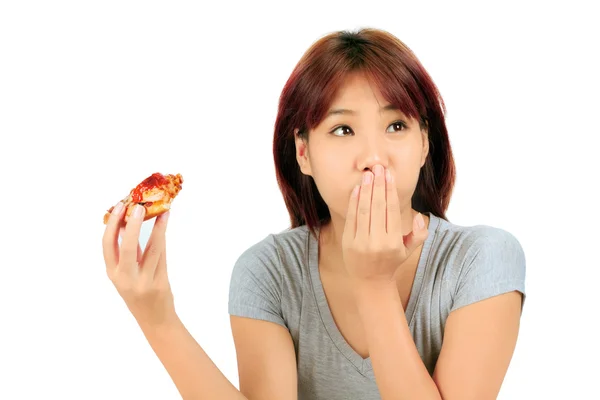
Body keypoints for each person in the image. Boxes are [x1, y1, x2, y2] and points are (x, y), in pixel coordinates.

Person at [102, 28, 526, 400]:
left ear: (425, 143)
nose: (374, 157)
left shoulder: (482, 259)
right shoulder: (269, 271)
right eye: (343, 129)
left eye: (397, 126)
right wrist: (157, 320)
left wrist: (374, 285)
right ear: (303, 153)